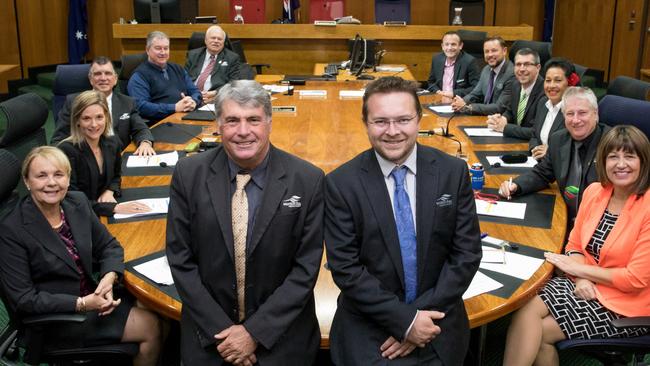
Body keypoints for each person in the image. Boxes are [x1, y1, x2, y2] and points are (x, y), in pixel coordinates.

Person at [325, 76, 482, 366]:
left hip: (439, 319)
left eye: (403, 120)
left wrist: (418, 321)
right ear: (366, 123)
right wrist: (406, 321)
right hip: (370, 327)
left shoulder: (452, 172)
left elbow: (467, 254)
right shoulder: (340, 184)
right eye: (380, 121)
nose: (393, 131)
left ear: (419, 120)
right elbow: (346, 269)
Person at [166, 80, 324, 365]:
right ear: (218, 124)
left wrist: (255, 333)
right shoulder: (188, 174)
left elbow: (306, 268)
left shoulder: (308, 179)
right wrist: (225, 335)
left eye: (253, 119)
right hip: (210, 336)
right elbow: (180, 259)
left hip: (282, 337)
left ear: (269, 122)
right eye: (232, 120)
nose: (242, 131)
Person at [0, 146, 162, 366]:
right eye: (41, 176)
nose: (51, 182)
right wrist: (82, 303)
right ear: (27, 182)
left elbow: (109, 246)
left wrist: (109, 277)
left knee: (157, 308)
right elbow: (24, 300)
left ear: (68, 178)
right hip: (58, 318)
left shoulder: (76, 202)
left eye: (59, 174)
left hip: (93, 294)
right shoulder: (11, 229)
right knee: (152, 326)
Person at [503, 125, 650, 366]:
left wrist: (580, 271)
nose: (620, 164)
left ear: (643, 162)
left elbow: (635, 280)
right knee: (526, 305)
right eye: (613, 156)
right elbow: (574, 245)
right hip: (585, 284)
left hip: (626, 304)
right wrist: (581, 278)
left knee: (539, 333)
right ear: (603, 161)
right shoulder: (595, 192)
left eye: (629, 156)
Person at [499, 87, 611, 224]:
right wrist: (516, 185)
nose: (575, 120)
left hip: (598, 221)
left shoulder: (612, 145)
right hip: (564, 217)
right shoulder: (558, 139)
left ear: (595, 113)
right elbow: (543, 173)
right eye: (570, 114)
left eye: (582, 113)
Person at [58, 90, 150, 217]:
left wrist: (110, 189)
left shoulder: (112, 143)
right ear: (77, 121)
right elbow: (71, 199)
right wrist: (112, 208)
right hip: (81, 216)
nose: (94, 124)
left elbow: (116, 175)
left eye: (99, 117)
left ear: (107, 117)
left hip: (105, 209)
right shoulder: (66, 151)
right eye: (86, 118)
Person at [51, 56, 156, 156]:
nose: (103, 78)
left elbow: (140, 129)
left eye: (108, 73)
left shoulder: (127, 102)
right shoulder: (74, 102)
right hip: (85, 158)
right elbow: (58, 139)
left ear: (115, 79)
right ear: (91, 79)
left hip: (120, 158)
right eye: (97, 74)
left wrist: (145, 142)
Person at [127, 31, 202, 121]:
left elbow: (195, 91)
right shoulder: (139, 76)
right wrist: (174, 107)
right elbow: (141, 106)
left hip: (185, 117)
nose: (163, 52)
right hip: (159, 123)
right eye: (158, 48)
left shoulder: (177, 68)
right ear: (147, 50)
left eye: (166, 48)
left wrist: (193, 101)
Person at [486, 48, 545, 140]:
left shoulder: (545, 92)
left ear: (538, 68)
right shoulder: (515, 85)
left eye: (527, 64)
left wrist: (505, 128)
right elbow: (510, 111)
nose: (521, 69)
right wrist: (502, 119)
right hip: (514, 141)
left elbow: (536, 131)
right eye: (518, 64)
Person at [528, 58, 580, 160]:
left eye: (558, 80)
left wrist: (549, 152)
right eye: (548, 80)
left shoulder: (574, 112)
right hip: (538, 162)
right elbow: (534, 135)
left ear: (569, 83)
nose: (551, 86)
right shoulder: (543, 103)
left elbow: (576, 147)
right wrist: (535, 148)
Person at [451, 36, 515, 115]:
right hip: (484, 116)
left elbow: (499, 108)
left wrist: (469, 107)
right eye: (486, 51)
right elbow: (475, 94)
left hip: (499, 120)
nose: (490, 54)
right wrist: (461, 102)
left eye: (494, 51)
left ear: (504, 51)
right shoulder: (486, 69)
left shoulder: (511, 73)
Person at [185, 25, 244, 104]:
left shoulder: (232, 58)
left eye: (219, 39)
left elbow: (233, 83)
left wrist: (215, 93)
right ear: (205, 40)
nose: (216, 41)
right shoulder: (193, 55)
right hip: (191, 97)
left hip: (215, 99)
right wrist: (193, 93)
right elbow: (183, 78)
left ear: (223, 42)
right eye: (213, 38)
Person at [426, 31, 480, 97]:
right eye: (446, 44)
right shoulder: (437, 59)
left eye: (453, 44)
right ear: (442, 46)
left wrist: (453, 94)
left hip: (459, 101)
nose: (449, 48)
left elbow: (476, 87)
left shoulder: (469, 61)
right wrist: (438, 91)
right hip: (439, 99)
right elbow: (431, 82)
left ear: (460, 46)